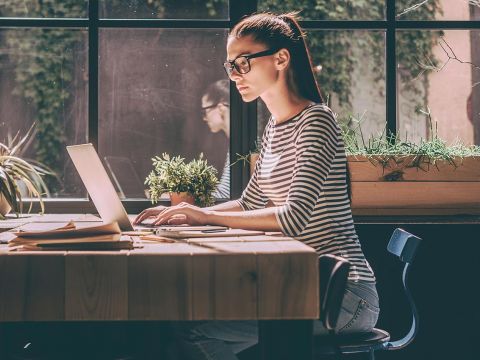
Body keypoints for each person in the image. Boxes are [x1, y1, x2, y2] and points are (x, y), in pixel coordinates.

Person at [134, 11, 379, 360]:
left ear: (281, 58)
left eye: (244, 63)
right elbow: (250, 203)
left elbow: (292, 218)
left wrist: (205, 218)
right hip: (300, 286)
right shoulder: (274, 129)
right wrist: (187, 213)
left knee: (197, 332)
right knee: (183, 323)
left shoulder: (317, 122)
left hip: (344, 296)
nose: (234, 75)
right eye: (230, 65)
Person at [201, 79, 230, 199]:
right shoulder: (234, 144)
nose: (204, 118)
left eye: (205, 111)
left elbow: (225, 195)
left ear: (220, 107)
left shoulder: (240, 146)